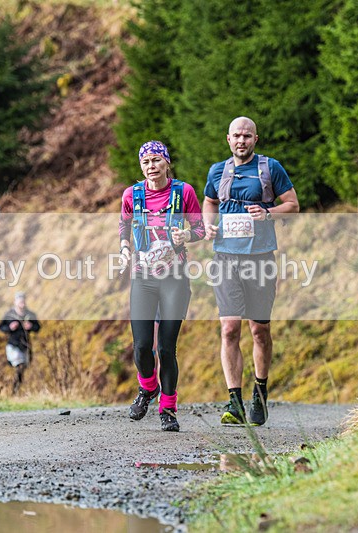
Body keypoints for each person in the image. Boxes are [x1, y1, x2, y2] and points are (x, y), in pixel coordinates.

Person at [202, 117, 300, 426]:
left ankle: (260, 391)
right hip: (225, 259)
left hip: (260, 259)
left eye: (247, 136)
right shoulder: (217, 171)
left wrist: (267, 213)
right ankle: (235, 402)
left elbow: (293, 205)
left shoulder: (271, 168)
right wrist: (208, 225)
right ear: (228, 139)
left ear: (255, 139)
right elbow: (209, 201)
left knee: (259, 330)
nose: (241, 141)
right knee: (230, 328)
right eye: (236, 136)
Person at [119, 141, 205, 432]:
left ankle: (168, 409)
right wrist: (123, 248)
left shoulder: (184, 192)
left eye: (156, 160)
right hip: (143, 277)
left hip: (174, 278)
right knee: (142, 346)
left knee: (167, 348)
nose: (151, 166)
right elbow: (124, 225)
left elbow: (200, 229)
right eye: (145, 162)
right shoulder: (132, 195)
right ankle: (148, 387)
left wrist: (186, 236)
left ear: (167, 163)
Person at [0, 292, 41, 394]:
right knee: (19, 365)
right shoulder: (9, 315)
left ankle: (16, 388)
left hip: (26, 345)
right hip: (13, 344)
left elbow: (38, 327)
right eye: (20, 301)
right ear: (15, 302)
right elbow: (1, 327)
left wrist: (31, 326)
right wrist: (10, 327)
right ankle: (14, 389)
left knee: (24, 367)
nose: (22, 303)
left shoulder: (30, 315)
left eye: (23, 301)